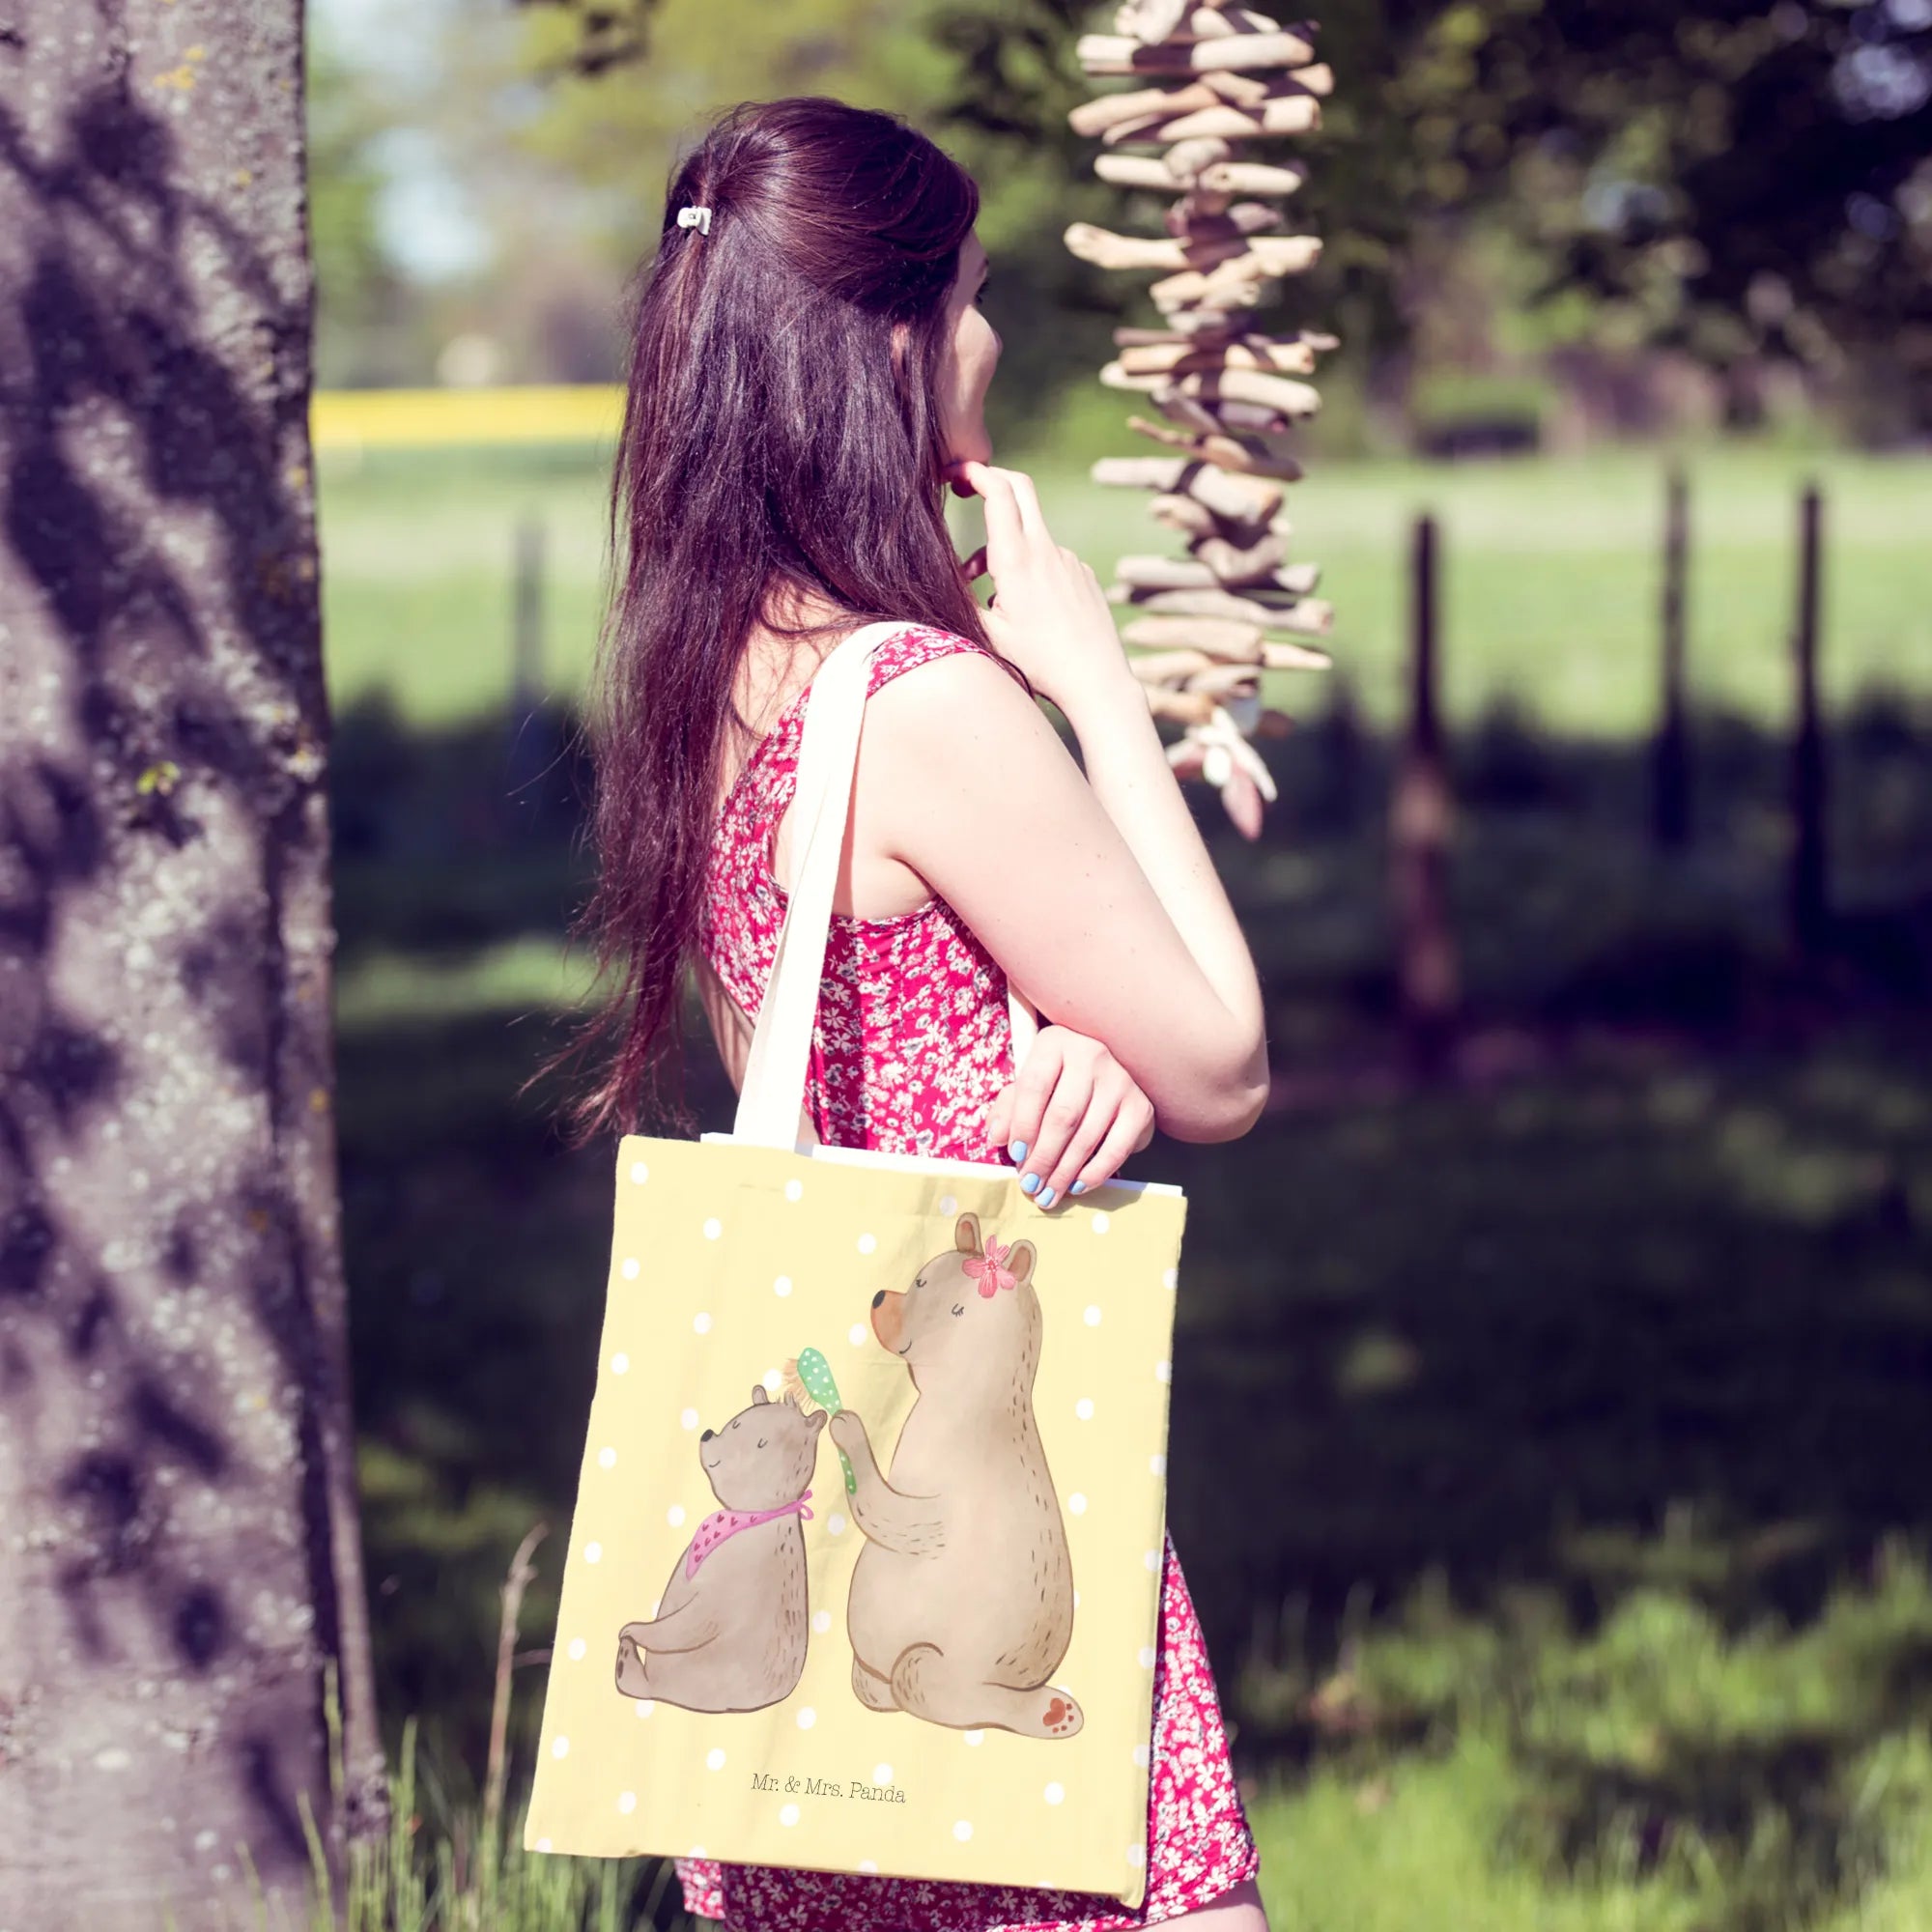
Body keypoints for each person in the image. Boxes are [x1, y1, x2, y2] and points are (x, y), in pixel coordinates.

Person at [548, 94, 1272, 1932]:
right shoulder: (928, 705)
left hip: (817, 1671)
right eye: (970, 295)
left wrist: (1056, 1032)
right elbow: (1223, 1062)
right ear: (888, 341)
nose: (991, 338)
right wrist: (1099, 691)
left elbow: (824, 1047)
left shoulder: (715, 673)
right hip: (982, 1554)